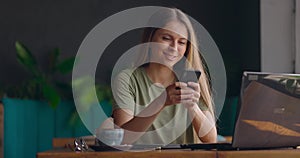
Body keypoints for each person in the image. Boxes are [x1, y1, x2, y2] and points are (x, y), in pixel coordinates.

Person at [111, 7, 217, 145]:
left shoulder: (190, 80)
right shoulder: (127, 80)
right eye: (166, 38)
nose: (174, 47)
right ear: (150, 39)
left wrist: (192, 107)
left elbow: (211, 140)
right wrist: (161, 101)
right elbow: (123, 138)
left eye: (181, 42)